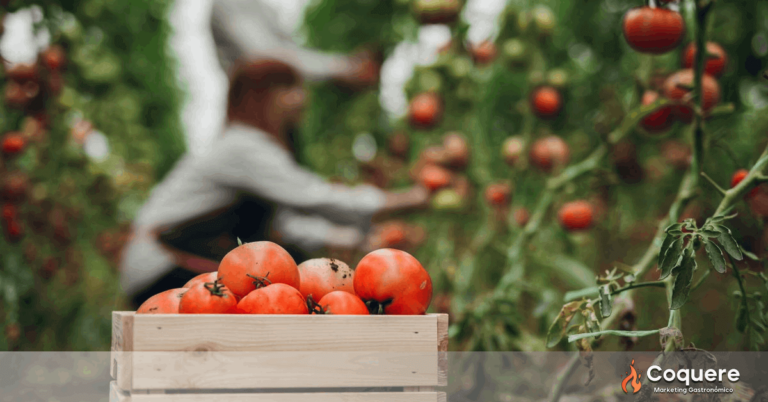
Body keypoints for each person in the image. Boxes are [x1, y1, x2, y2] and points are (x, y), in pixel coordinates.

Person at [119, 59, 429, 308]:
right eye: (288, 89)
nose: (301, 98)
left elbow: (283, 227)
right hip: (161, 265)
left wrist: (359, 241)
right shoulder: (245, 147)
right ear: (261, 98)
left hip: (164, 262)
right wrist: (405, 199)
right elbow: (314, 197)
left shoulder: (249, 150)